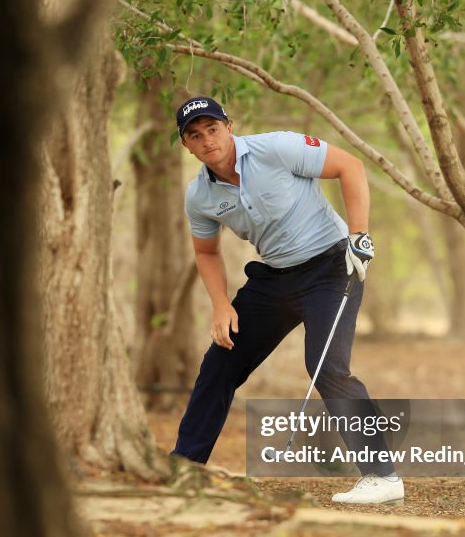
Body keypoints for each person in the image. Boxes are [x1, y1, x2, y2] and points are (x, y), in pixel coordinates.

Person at [170, 95, 404, 505]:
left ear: (229, 126)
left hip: (332, 266)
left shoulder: (276, 147)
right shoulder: (200, 197)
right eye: (195, 135)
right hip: (274, 278)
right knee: (220, 362)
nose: (207, 140)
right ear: (187, 146)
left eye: (212, 128)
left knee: (327, 363)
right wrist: (221, 305)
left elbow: (349, 167)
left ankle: (383, 476)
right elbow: (207, 252)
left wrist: (359, 234)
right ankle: (184, 468)